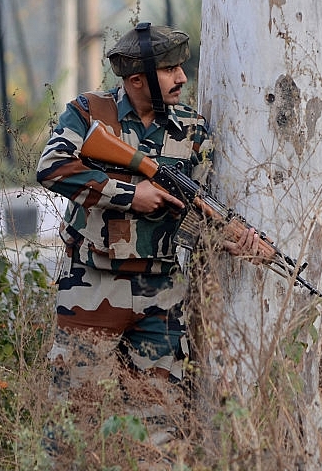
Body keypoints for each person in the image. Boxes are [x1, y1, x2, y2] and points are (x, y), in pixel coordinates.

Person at [36, 22, 272, 453]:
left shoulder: (192, 129)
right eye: (170, 70)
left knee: (159, 430)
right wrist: (131, 193)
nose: (183, 78)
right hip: (91, 286)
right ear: (136, 79)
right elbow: (51, 167)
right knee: (71, 426)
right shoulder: (89, 112)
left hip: (160, 294)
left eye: (181, 68)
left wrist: (229, 239)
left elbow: (187, 217)